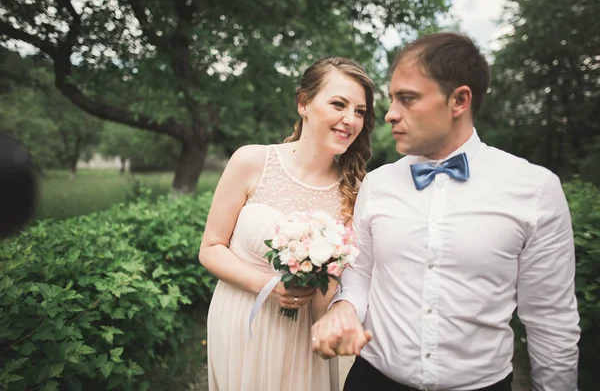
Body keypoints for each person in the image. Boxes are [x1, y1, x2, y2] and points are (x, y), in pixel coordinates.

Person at [311, 32, 581, 391]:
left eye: (407, 99)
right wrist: (343, 308)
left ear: (459, 100)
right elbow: (360, 275)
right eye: (392, 99)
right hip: (372, 380)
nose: (390, 114)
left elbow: (550, 319)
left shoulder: (535, 190)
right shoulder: (376, 185)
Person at [199, 57, 376, 391]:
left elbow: (337, 289)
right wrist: (270, 286)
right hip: (239, 319)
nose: (349, 119)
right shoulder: (251, 162)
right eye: (338, 104)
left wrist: (336, 315)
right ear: (303, 104)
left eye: (360, 111)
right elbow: (210, 249)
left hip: (301, 337)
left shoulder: (353, 192)